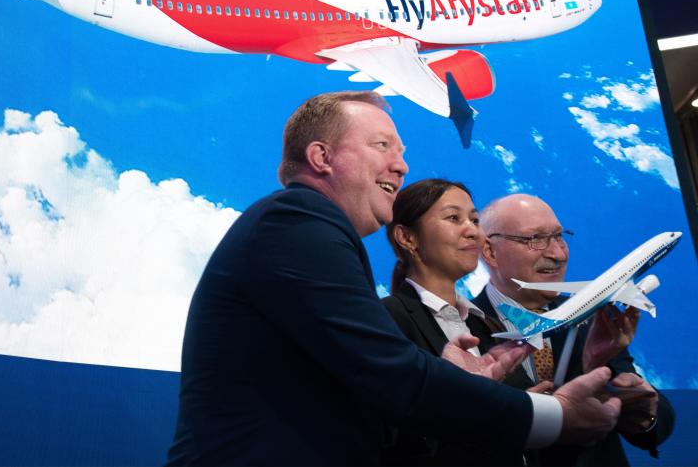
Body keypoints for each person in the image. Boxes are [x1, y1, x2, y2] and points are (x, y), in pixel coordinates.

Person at [167, 92, 620, 466]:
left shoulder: (314, 231)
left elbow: (370, 399)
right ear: (321, 157)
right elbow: (392, 377)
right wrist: (554, 417)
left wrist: (449, 377)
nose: (402, 166)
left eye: (402, 152)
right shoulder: (297, 220)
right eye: (383, 146)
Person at [476, 194, 675, 466]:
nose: (557, 254)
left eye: (559, 236)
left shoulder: (593, 315)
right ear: (489, 252)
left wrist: (646, 412)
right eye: (535, 239)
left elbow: (655, 418)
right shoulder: (459, 327)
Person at [381, 179, 537, 466]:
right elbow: (392, 439)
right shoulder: (387, 320)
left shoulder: (487, 324)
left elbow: (526, 411)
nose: (473, 232)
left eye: (475, 220)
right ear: (407, 237)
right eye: (454, 218)